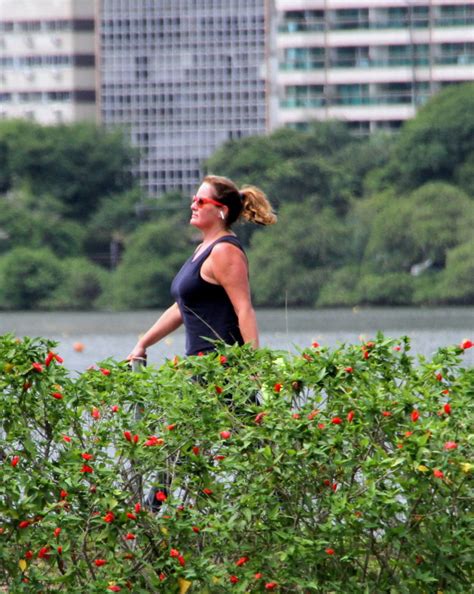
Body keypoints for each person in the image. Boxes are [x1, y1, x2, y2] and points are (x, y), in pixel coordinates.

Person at [127, 175, 276, 361]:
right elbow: (182, 307)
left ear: (221, 210)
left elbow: (244, 310)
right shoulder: (203, 248)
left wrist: (255, 364)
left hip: (223, 370)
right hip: (201, 367)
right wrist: (143, 343)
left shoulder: (225, 251)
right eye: (193, 200)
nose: (193, 206)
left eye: (200, 201)